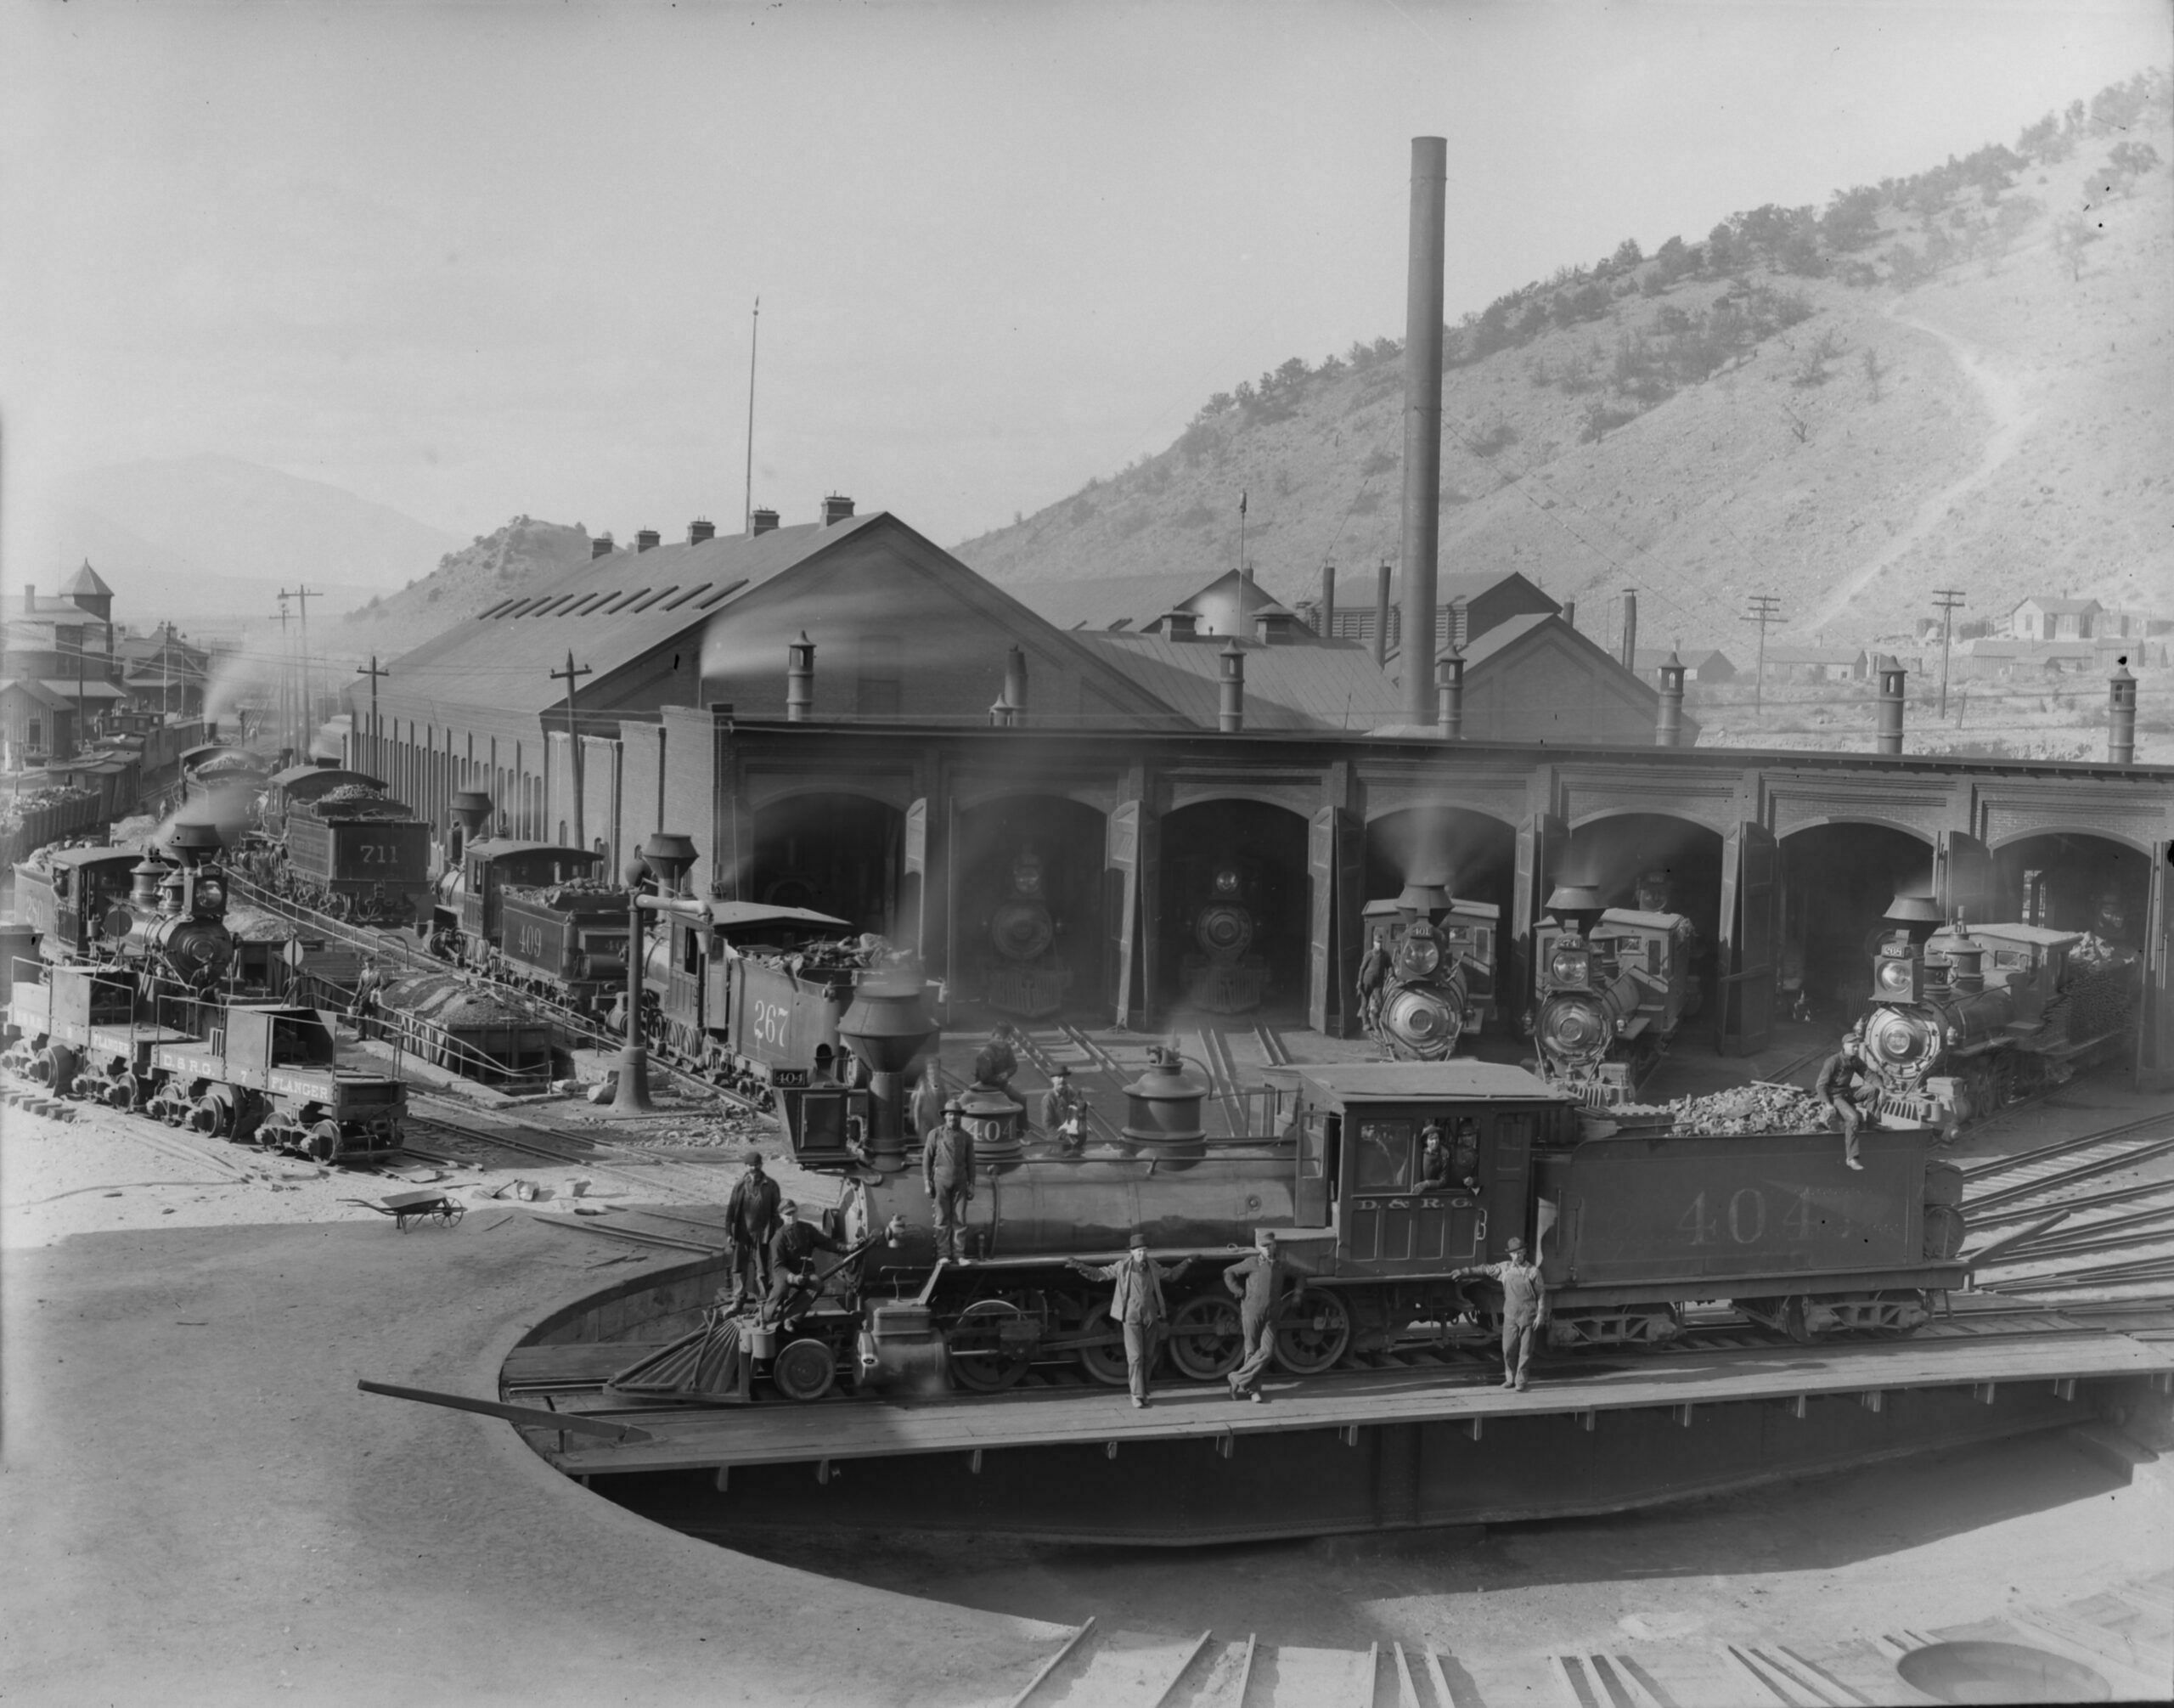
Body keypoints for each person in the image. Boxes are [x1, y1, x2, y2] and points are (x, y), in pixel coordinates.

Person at [1069, 1233, 1195, 1408]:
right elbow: (1100, 1275)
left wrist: (1187, 1263)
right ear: (1132, 1252)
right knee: (1135, 1357)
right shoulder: (1123, 1266)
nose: (1141, 1254)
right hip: (1131, 1316)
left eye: (1144, 1251)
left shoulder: (1153, 1266)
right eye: (1138, 1251)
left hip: (1151, 1316)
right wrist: (1079, 1266)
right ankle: (1136, 1395)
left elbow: (1172, 1275)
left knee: (1149, 1356)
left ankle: (1145, 1392)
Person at [1453, 1236, 1548, 1390]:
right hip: (1510, 1316)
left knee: (1525, 1352)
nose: (1517, 1256)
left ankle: (1521, 1382)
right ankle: (1509, 1379)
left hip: (1528, 1316)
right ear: (1510, 1254)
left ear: (1524, 1252)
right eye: (1514, 1253)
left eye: (1519, 1253)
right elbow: (1484, 1269)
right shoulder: (1505, 1268)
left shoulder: (1533, 1272)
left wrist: (1540, 1315)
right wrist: (1465, 1272)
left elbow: (1541, 1294)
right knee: (1508, 1350)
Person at [764, 1198, 851, 1325]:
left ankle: (791, 1317)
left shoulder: (807, 1229)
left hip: (805, 1272)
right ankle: (764, 1317)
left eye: (793, 1212)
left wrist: (848, 1247)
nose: (791, 1216)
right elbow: (778, 1267)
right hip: (784, 1274)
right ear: (781, 1216)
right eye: (788, 1214)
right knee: (780, 1291)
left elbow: (826, 1243)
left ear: (797, 1212)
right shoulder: (778, 1238)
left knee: (817, 1284)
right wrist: (792, 1278)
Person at [1221, 1231, 1283, 1402]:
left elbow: (1300, 1274)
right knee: (1251, 1350)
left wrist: (1299, 1292)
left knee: (1267, 1351)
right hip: (1252, 1311)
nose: (1268, 1249)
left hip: (1272, 1313)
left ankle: (1236, 1378)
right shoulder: (1252, 1263)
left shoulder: (1281, 1265)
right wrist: (1239, 1292)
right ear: (1258, 1248)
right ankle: (1252, 1390)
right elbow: (1228, 1272)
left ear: (1275, 1245)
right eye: (1264, 1246)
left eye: (1270, 1245)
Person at [723, 1149, 783, 1310]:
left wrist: (778, 1233)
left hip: (762, 1233)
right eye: (750, 1166)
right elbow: (731, 1210)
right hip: (742, 1233)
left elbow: (777, 1212)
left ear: (761, 1165)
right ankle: (738, 1299)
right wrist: (729, 1232)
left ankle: (762, 1300)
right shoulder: (740, 1185)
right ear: (746, 1166)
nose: (753, 1169)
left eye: (756, 1165)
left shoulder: (771, 1185)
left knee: (762, 1269)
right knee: (738, 1267)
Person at [922, 1099, 976, 1262]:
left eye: (957, 1115)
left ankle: (959, 1255)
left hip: (960, 1181)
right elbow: (926, 1159)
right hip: (941, 1181)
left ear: (961, 1117)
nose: (954, 1118)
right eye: (951, 1114)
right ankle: (943, 1254)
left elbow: (971, 1162)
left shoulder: (967, 1137)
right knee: (942, 1218)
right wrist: (927, 1182)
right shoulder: (935, 1134)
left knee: (960, 1218)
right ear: (945, 1116)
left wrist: (972, 1184)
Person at [1815, 1027, 1869, 1169]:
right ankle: (1851, 1158)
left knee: (1872, 1090)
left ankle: (1873, 1123)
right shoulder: (1833, 1061)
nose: (1856, 1049)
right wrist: (1827, 1104)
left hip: (1846, 1093)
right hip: (1835, 1096)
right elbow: (1820, 1086)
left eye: (1858, 1046)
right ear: (1845, 1046)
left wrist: (1882, 1089)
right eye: (1854, 1046)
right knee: (1853, 1118)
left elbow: (1868, 1074)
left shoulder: (1855, 1060)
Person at [1041, 1066, 1088, 1153]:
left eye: (1064, 1077)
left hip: (1073, 1142)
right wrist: (1064, 1136)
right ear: (1052, 1080)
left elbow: (1078, 1114)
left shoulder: (1071, 1094)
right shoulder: (1049, 1099)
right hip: (1057, 1146)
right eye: (1059, 1077)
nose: (1062, 1080)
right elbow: (1047, 1125)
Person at [1356, 930, 1390, 1031]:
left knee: (1379, 1002)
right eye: (1377, 942)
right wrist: (1359, 982)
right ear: (1374, 943)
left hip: (1379, 982)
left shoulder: (1385, 955)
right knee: (1364, 1002)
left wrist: (1392, 973)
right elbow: (1362, 969)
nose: (1378, 944)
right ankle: (1365, 1023)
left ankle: (1376, 1023)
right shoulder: (1369, 955)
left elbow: (1389, 966)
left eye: (1380, 942)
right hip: (1367, 981)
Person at [910, 1065, 946, 1139]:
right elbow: (917, 1105)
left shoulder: (941, 1084)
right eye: (930, 1071)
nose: (932, 1073)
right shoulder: (923, 1084)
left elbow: (946, 1100)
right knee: (925, 1140)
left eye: (934, 1071)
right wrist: (917, 1123)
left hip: (937, 1119)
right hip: (925, 1120)